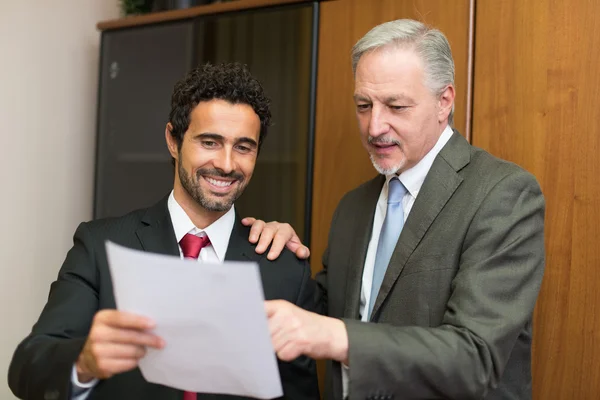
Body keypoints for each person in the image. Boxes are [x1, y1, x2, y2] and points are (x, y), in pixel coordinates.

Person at [248, 19, 546, 400]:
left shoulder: (503, 195)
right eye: (363, 105)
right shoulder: (352, 207)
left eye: (396, 106)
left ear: (445, 101)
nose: (374, 127)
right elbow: (323, 314)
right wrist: (281, 257)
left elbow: (476, 359)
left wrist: (335, 337)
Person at [8, 63, 320, 400]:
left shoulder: (287, 270)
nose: (228, 164)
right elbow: (28, 368)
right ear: (173, 139)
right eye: (210, 142)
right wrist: (82, 364)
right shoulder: (101, 246)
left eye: (243, 147)